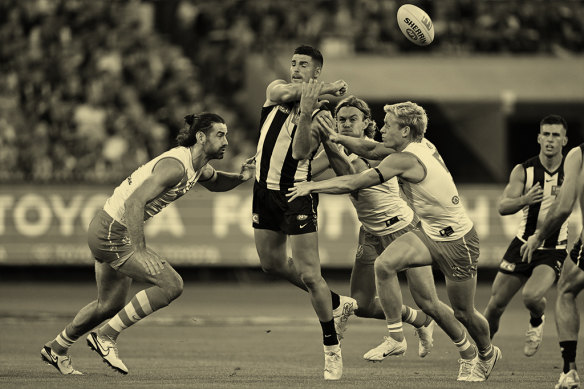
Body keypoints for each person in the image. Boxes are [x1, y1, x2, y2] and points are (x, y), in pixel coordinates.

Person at [288, 101, 501, 382]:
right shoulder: (415, 145)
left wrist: (313, 186)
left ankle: (486, 353)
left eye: (388, 125)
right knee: (385, 266)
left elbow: (354, 182)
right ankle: (400, 337)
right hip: (428, 232)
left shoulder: (406, 159)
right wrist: (335, 138)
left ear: (405, 130)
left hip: (457, 239)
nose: (383, 128)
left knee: (463, 311)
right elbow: (372, 148)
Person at [41, 113, 255, 375]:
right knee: (172, 285)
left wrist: (241, 178)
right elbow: (134, 202)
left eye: (226, 134)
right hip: (112, 232)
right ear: (201, 137)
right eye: (220, 135)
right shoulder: (175, 166)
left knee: (109, 305)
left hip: (105, 228)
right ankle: (105, 337)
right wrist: (139, 250)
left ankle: (56, 348)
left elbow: (217, 181)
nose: (227, 141)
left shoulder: (197, 166)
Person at [252, 45, 352, 381]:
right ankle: (338, 302)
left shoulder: (321, 115)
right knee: (271, 264)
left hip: (295, 195)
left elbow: (301, 152)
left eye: (304, 65)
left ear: (316, 71)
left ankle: (332, 349)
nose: (295, 68)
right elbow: (288, 91)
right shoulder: (276, 90)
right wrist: (321, 90)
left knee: (310, 275)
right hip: (263, 191)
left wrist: (309, 109)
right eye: (293, 63)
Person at [483, 115, 569, 357]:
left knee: (531, 296)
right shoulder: (524, 170)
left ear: (564, 140)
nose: (550, 140)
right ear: (539, 138)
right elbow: (502, 207)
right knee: (495, 305)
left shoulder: (573, 174)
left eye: (556, 135)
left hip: (553, 248)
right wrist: (525, 200)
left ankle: (536, 319)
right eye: (547, 134)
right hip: (521, 244)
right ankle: (482, 356)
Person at [521, 137, 583, 389]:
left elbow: (563, 206)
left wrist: (538, 236)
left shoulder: (578, 155)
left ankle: (569, 371)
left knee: (566, 289)